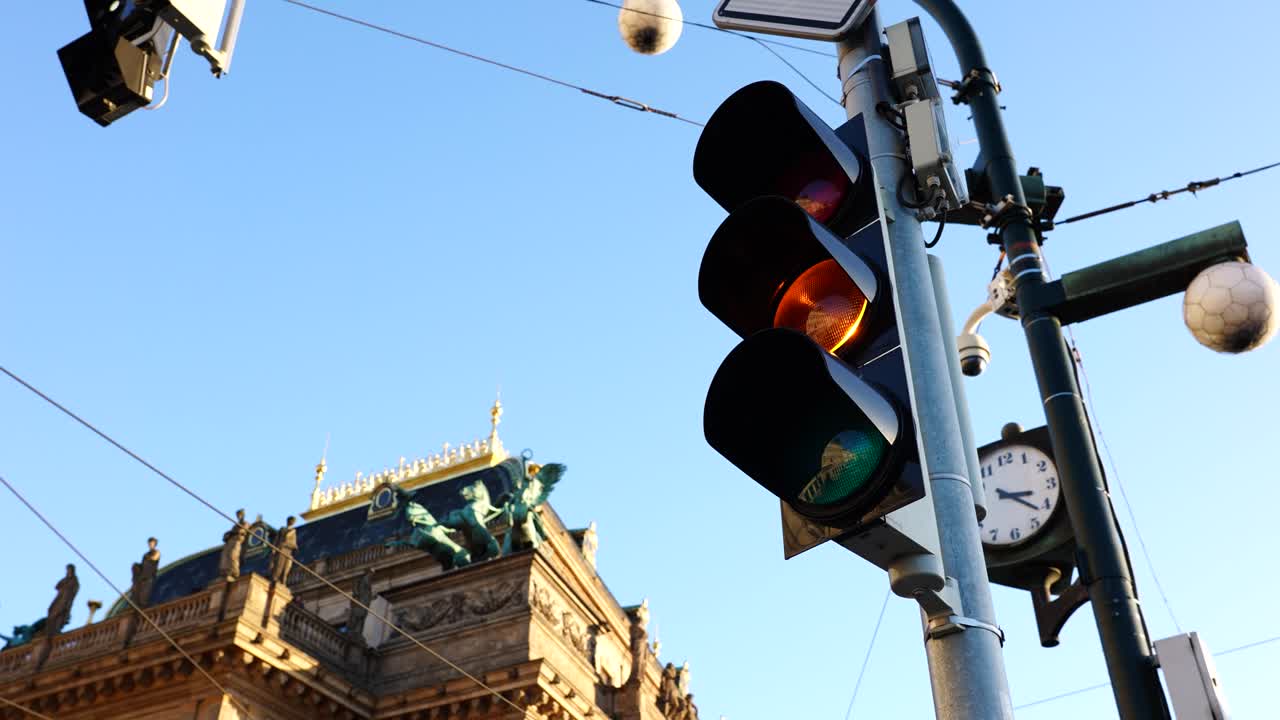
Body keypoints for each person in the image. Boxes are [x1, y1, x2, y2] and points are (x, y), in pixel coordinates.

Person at [46, 564, 79, 635]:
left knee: (61, 612)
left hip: (66, 600)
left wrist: (68, 590)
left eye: (69, 569)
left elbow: (75, 590)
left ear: (72, 570)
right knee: (51, 610)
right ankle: (50, 630)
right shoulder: (65, 579)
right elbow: (57, 586)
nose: (68, 571)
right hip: (59, 598)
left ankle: (56, 629)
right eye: (67, 569)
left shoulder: (74, 580)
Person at [217, 509, 248, 581]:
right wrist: (228, 534)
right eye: (238, 515)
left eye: (239, 515)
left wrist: (233, 533)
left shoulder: (245, 523)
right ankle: (225, 571)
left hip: (237, 540)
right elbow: (231, 532)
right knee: (225, 555)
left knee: (233, 555)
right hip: (230, 541)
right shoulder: (235, 526)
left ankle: (234, 572)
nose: (238, 516)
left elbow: (242, 530)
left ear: (243, 515)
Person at [130, 537, 161, 607]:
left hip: (149, 574)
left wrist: (148, 559)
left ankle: (143, 604)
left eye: (152, 543)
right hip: (143, 574)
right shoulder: (146, 554)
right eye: (150, 543)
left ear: (155, 544)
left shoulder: (156, 552)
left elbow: (154, 558)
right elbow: (143, 564)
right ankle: (137, 602)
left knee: (145, 590)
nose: (150, 545)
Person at [270, 517, 299, 586]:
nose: (292, 522)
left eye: (293, 521)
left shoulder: (293, 531)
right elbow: (276, 540)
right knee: (278, 566)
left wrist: (286, 544)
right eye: (291, 520)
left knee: (285, 569)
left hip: (288, 551)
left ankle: (282, 582)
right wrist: (273, 549)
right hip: (280, 550)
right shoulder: (282, 529)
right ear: (288, 521)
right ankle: (275, 580)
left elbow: (294, 544)